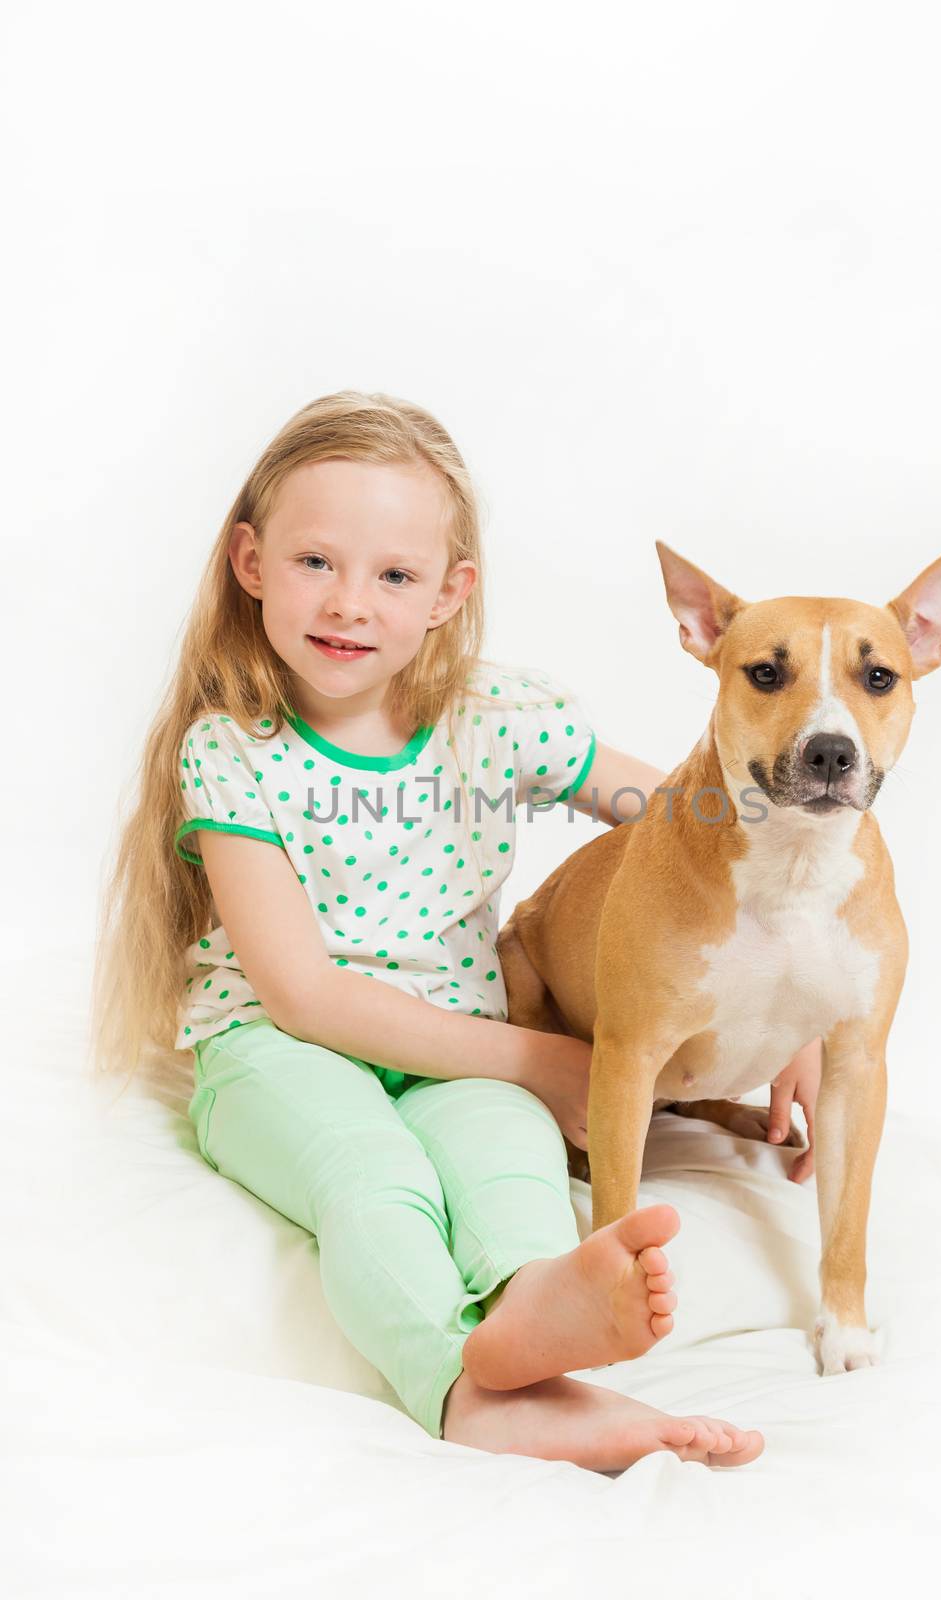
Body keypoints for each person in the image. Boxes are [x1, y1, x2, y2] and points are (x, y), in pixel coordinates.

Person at [90, 389, 782, 1472]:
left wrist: (798, 1008)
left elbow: (695, 832)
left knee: (508, 1171)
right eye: (316, 561)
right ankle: (464, 1390)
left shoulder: (501, 719)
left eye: (395, 575)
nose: (351, 603)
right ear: (251, 561)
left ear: (449, 593)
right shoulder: (232, 751)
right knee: (371, 1174)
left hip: (456, 1040)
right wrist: (548, 1059)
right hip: (276, 1052)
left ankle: (537, 1319)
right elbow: (304, 998)